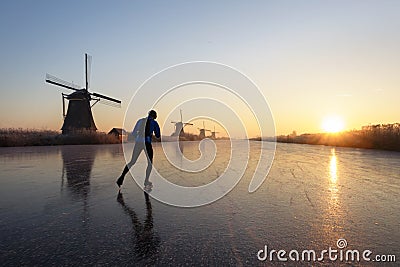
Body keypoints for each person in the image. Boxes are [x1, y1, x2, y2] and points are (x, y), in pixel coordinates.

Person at [117, 110, 160, 188]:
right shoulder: (154, 123)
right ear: (154, 116)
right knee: (150, 163)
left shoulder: (140, 121)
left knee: (132, 161)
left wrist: (139, 135)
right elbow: (158, 135)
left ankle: (121, 177)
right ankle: (146, 181)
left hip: (138, 143)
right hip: (147, 143)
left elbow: (133, 133)